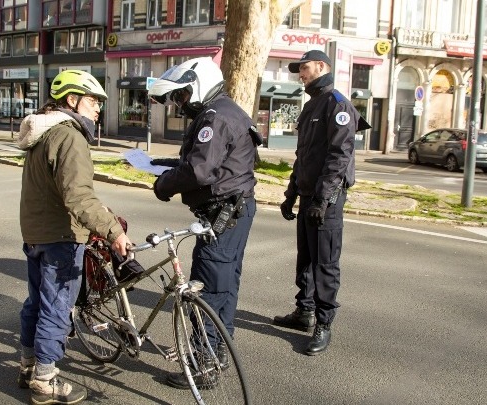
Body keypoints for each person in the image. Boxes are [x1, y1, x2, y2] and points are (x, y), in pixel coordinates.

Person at [16, 69, 132, 405]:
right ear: (72, 100)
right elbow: (77, 195)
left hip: (36, 232)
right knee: (57, 306)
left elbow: (52, 189)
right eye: (93, 101)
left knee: (36, 301)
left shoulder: (43, 131)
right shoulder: (69, 136)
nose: (98, 109)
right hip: (61, 236)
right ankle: (45, 379)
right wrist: (113, 230)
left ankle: (27, 365)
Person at [148, 57, 262, 388]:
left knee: (208, 290)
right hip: (232, 212)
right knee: (224, 287)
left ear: (199, 85)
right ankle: (218, 353)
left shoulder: (214, 117)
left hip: (223, 215)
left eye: (182, 96)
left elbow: (199, 171)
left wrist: (163, 184)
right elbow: (207, 161)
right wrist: (165, 165)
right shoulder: (224, 110)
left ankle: (203, 365)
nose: (180, 104)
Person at [273, 50, 370, 356]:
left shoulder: (337, 104)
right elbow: (304, 158)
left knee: (325, 263)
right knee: (305, 258)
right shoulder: (311, 105)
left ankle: (324, 324)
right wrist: (291, 195)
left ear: (322, 67)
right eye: (299, 69)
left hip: (325, 201)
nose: (300, 74)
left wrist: (323, 199)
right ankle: (304, 312)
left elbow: (339, 157)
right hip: (307, 198)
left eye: (304, 68)